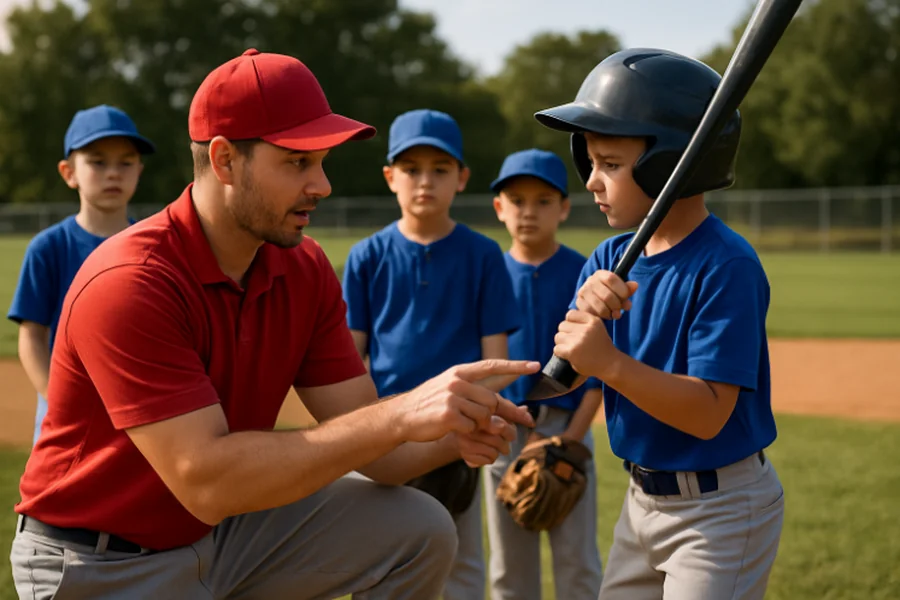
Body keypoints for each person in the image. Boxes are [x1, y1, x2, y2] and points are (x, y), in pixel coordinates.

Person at [9, 49, 538, 600]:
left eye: (322, 161)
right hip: (101, 560)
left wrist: (461, 430)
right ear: (224, 160)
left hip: (221, 536)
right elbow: (207, 481)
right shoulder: (130, 281)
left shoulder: (302, 267)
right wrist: (400, 414)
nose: (323, 185)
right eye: (297, 162)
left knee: (418, 528)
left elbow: (377, 451)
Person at [534, 48, 785, 600]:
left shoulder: (726, 266)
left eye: (612, 164)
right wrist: (582, 350)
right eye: (592, 161)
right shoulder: (607, 258)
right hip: (641, 502)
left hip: (719, 512)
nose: (593, 182)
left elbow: (707, 415)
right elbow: (567, 375)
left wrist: (609, 363)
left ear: (672, 164)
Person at [342, 108, 521, 600]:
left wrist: (466, 421)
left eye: (440, 169)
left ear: (461, 178)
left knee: (460, 565)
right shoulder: (367, 256)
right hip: (383, 430)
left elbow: (496, 360)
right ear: (390, 177)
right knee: (377, 560)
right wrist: (368, 428)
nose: (425, 181)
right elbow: (351, 357)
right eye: (411, 169)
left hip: (454, 428)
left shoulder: (483, 255)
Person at [482, 148, 605, 600]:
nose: (528, 211)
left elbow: (598, 374)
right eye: (516, 200)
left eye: (543, 200)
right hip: (502, 430)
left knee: (577, 563)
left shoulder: (584, 272)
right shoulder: (489, 271)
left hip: (566, 432)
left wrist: (570, 439)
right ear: (499, 208)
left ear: (565, 208)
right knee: (509, 570)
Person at [7, 104, 154, 446]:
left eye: (126, 162)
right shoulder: (48, 247)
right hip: (66, 412)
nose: (114, 173)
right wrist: (59, 401)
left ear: (139, 171)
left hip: (138, 409)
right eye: (98, 161)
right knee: (59, 496)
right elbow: (31, 337)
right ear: (69, 172)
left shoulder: (154, 246)